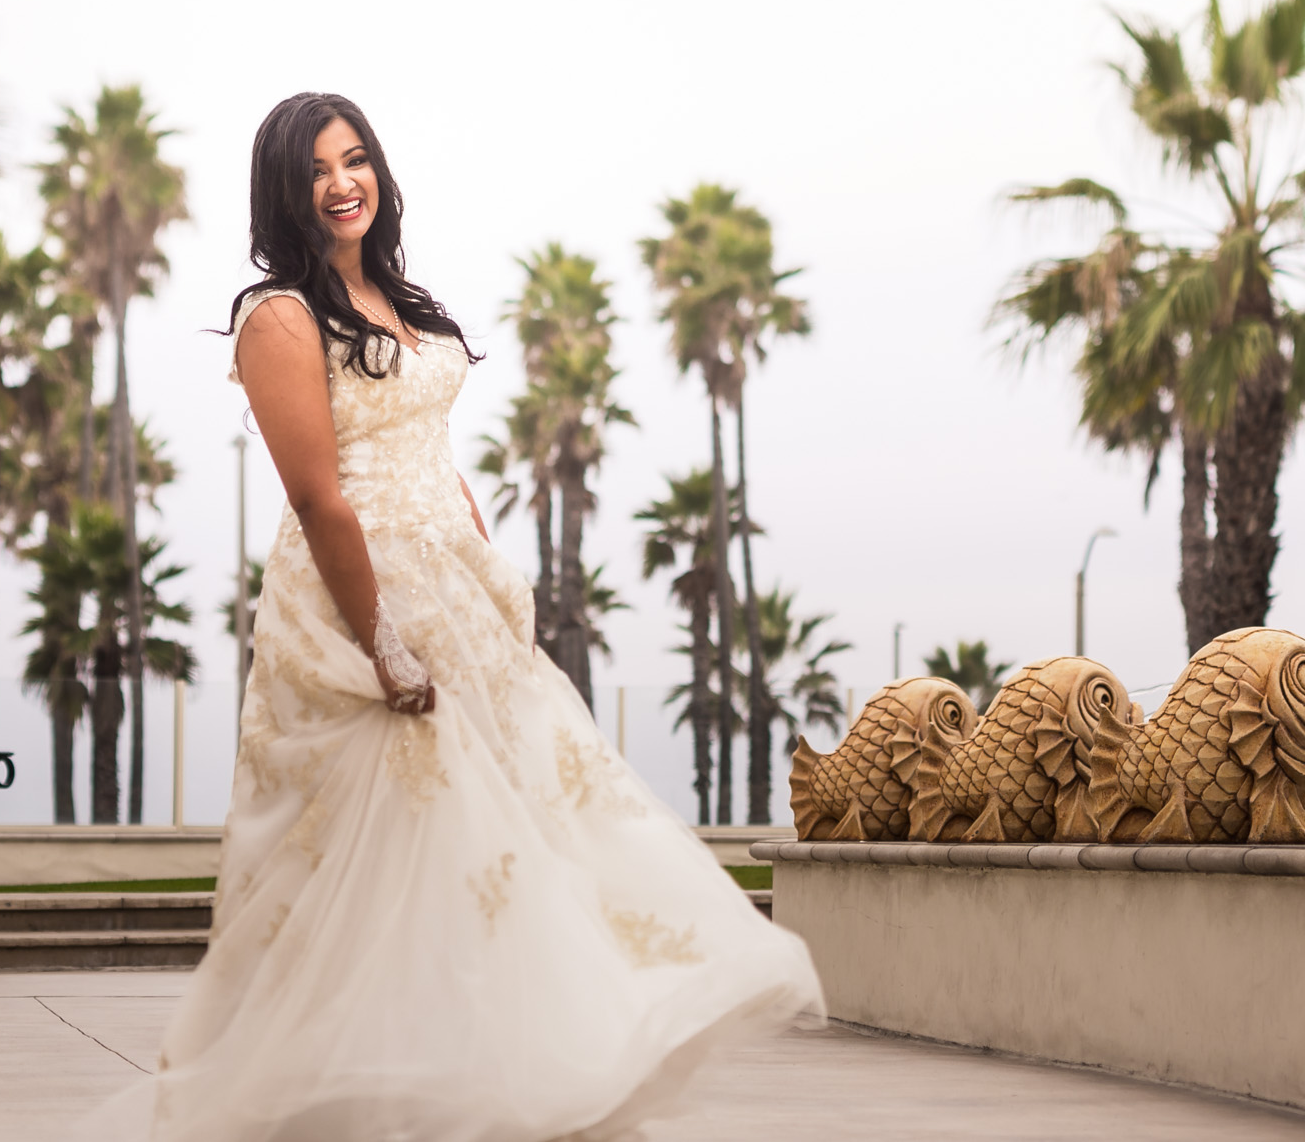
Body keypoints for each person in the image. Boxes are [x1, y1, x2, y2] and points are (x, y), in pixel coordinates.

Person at [84, 92, 821, 1142]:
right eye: (316, 170)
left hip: (455, 590)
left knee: (515, 844)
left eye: (356, 160)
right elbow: (317, 494)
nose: (343, 183)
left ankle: (513, 1083)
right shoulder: (279, 316)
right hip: (355, 599)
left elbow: (429, 454)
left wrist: (486, 571)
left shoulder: (393, 295)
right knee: (381, 856)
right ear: (284, 193)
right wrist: (379, 640)